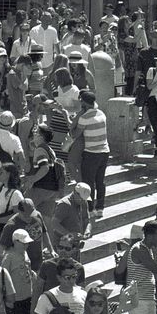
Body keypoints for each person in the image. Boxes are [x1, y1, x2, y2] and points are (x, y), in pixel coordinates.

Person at [70, 90, 109, 219]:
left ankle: (91, 209)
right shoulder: (102, 114)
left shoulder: (84, 118)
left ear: (84, 102)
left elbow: (74, 134)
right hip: (104, 152)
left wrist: (78, 115)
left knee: (89, 182)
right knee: (100, 181)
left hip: (91, 153)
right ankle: (100, 208)